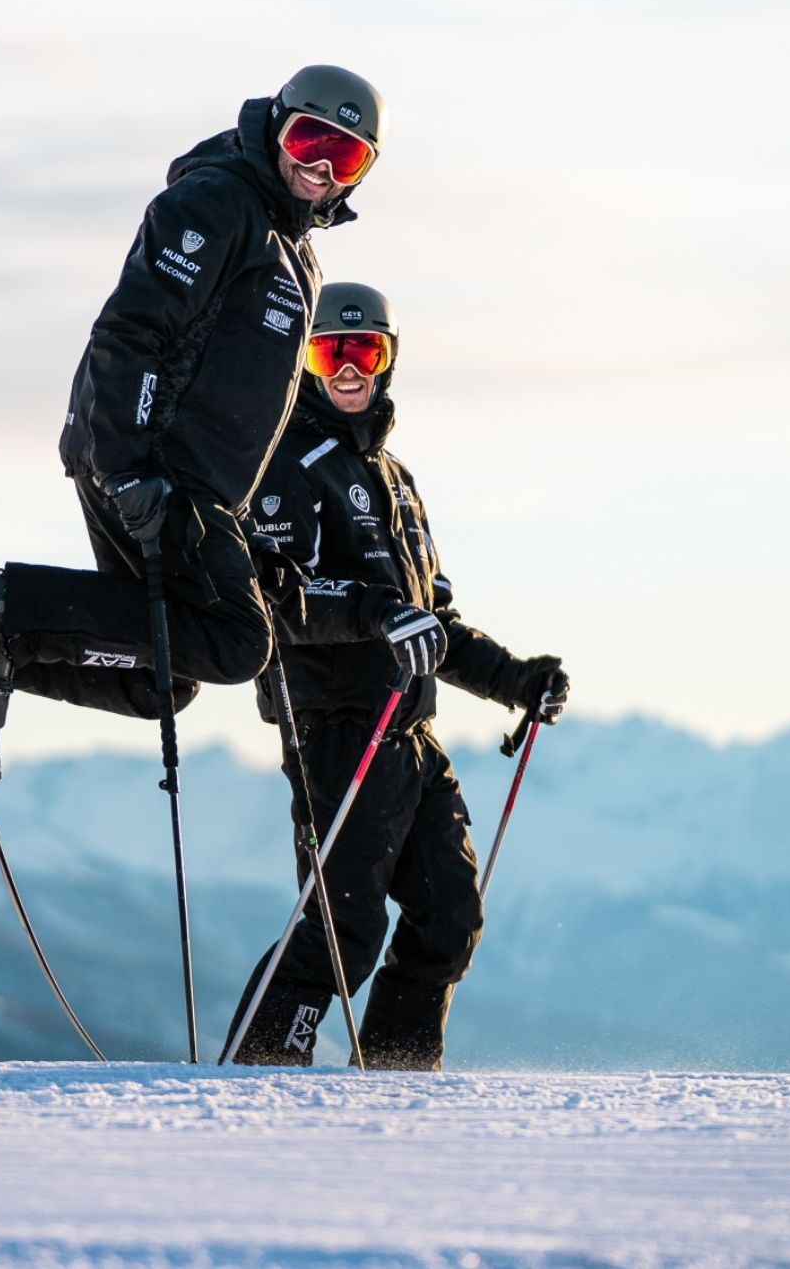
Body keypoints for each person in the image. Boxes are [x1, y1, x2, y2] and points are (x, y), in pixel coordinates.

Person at [0, 66, 385, 769]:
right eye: (308, 142)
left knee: (161, 678)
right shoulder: (219, 202)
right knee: (237, 640)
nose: (321, 169)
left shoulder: (289, 247)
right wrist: (132, 467)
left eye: (347, 157)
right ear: (276, 127)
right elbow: (132, 330)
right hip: (158, 467)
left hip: (186, 480)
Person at [225, 281, 570, 1070]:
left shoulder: (395, 479)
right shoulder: (283, 468)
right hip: (337, 728)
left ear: (388, 361)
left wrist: (519, 682)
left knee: (450, 917)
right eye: (329, 351)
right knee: (342, 932)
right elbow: (275, 601)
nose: (348, 369)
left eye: (365, 351)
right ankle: (255, 1083)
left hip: (409, 731)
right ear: (305, 362)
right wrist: (378, 613)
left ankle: (396, 1081)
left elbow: (434, 623)